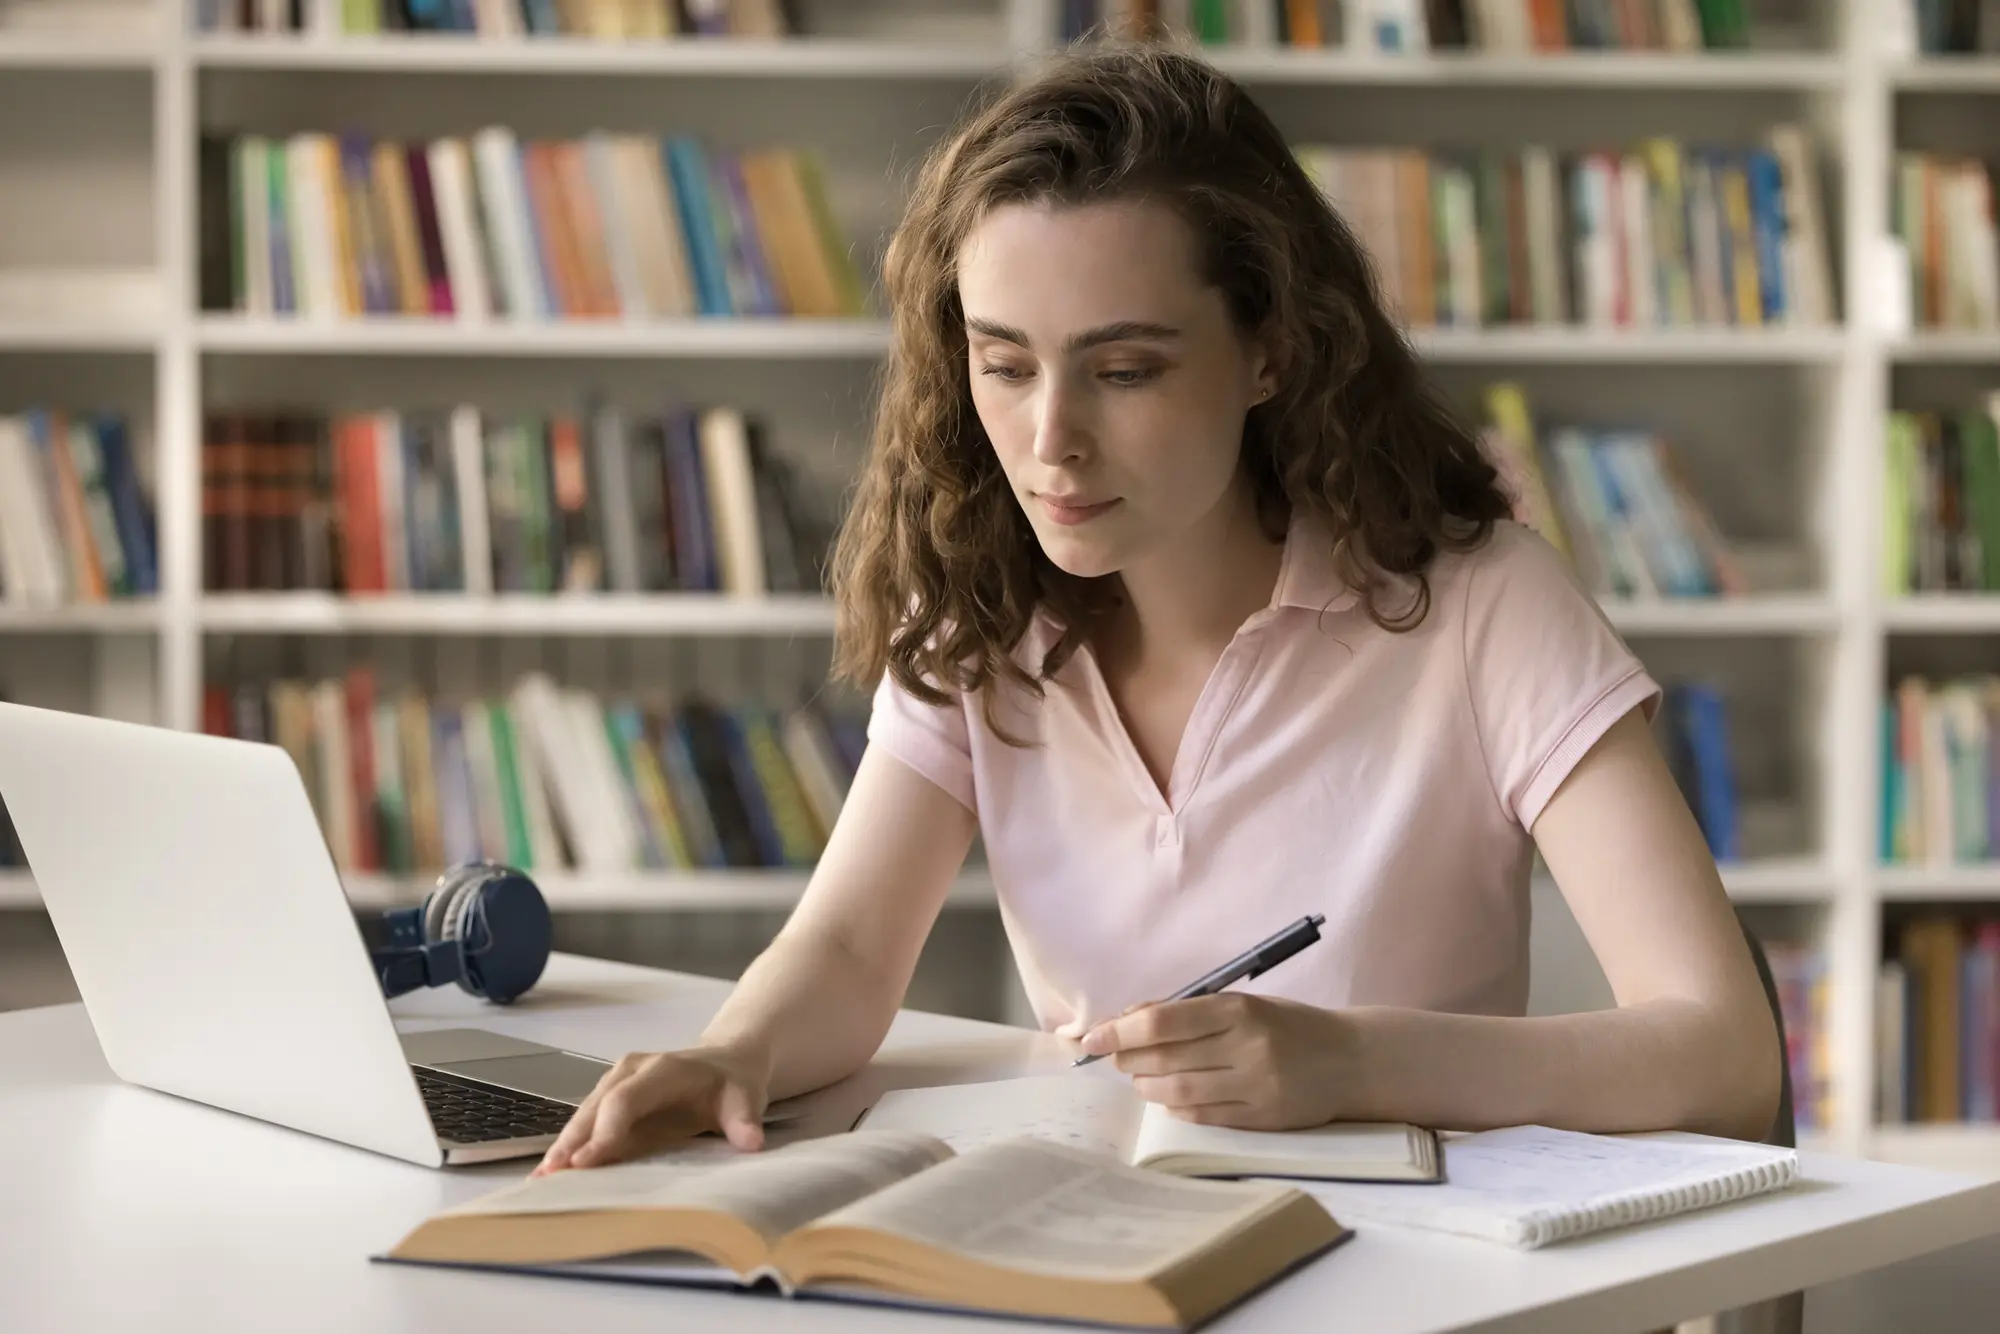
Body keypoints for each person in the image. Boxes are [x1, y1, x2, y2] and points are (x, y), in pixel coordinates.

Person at [533, 44, 1779, 1176]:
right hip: (1091, 1244)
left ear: (1270, 353)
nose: (1049, 440)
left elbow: (1723, 1053)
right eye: (1004, 364)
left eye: (1124, 370)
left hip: (1411, 1273)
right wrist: (732, 1050)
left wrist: (1347, 1061)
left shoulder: (1481, 604)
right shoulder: (980, 603)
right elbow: (850, 955)